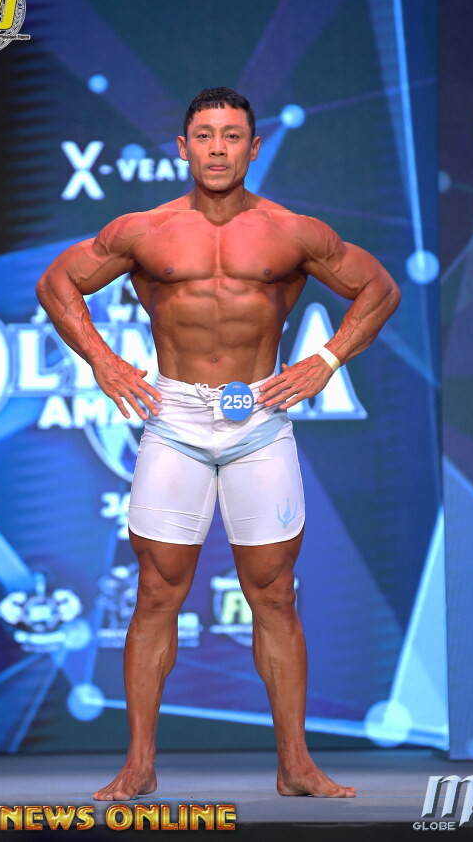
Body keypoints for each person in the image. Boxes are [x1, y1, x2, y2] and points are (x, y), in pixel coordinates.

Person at [36, 87, 401, 801]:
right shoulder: (146, 230)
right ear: (183, 147)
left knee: (275, 594)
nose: (217, 148)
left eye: (232, 136)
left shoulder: (291, 232)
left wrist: (325, 361)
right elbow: (58, 283)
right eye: (204, 135)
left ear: (253, 148)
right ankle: (139, 764)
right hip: (174, 417)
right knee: (155, 593)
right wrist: (103, 362)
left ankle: (296, 765)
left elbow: (379, 289)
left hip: (258, 418)